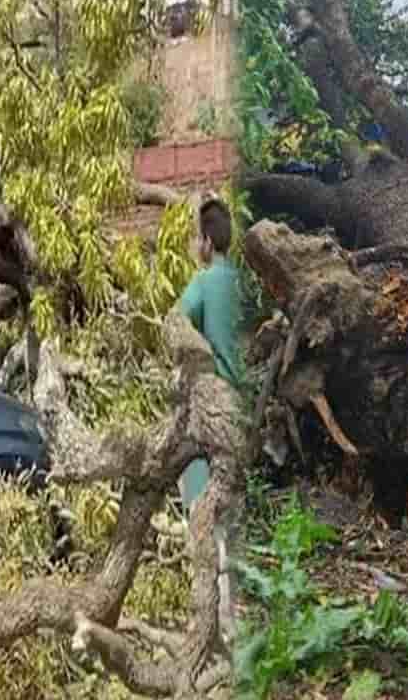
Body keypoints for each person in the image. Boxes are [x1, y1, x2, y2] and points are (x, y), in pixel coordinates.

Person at [173, 196, 245, 635]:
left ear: (204, 241)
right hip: (244, 409)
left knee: (203, 512)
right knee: (234, 515)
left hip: (211, 407)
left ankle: (217, 621)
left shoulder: (203, 282)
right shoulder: (241, 282)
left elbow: (175, 327)